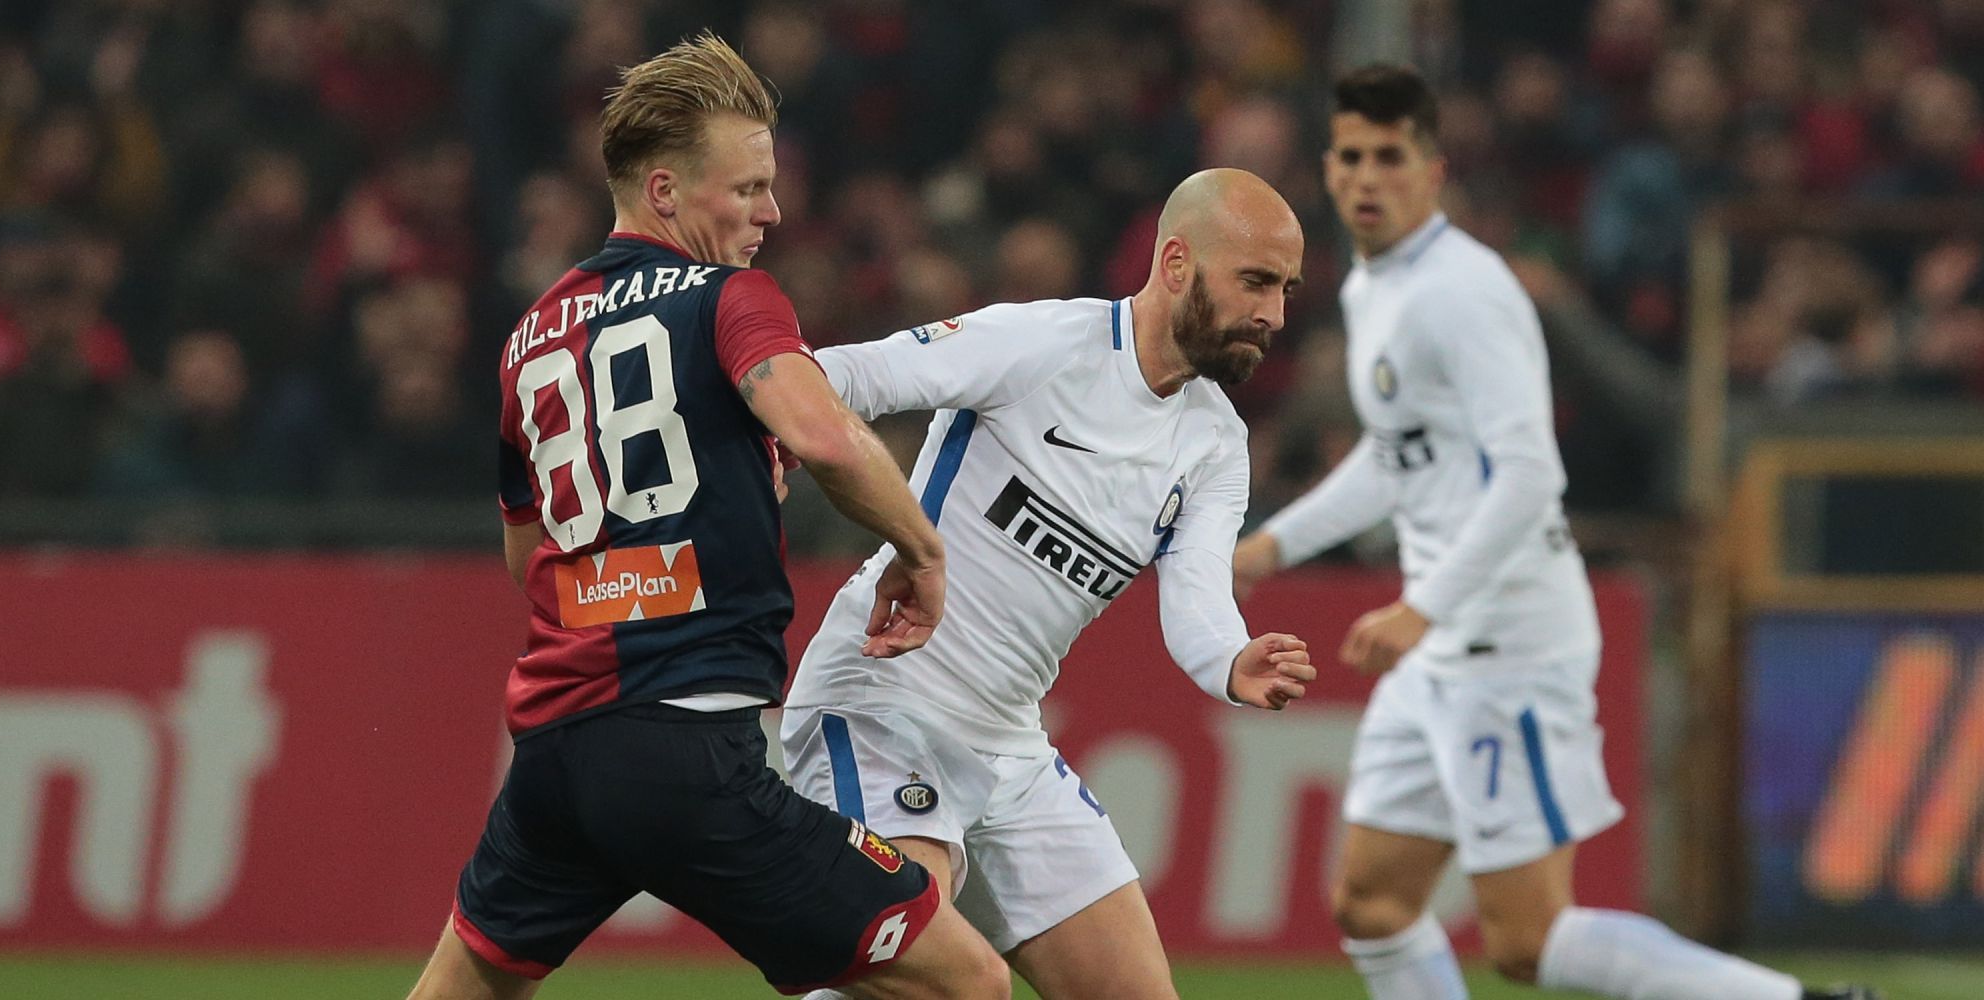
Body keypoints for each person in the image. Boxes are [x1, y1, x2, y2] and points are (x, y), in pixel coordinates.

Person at [1231, 64, 1881, 1000]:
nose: (1367, 177)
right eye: (1351, 158)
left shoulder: (1466, 290)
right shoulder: (1380, 290)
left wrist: (1423, 607)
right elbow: (1395, 453)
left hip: (1506, 647)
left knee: (1527, 942)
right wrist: (1276, 544)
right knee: (1370, 902)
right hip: (1444, 649)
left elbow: (1530, 471)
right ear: (1329, 171)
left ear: (1433, 170)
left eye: (1390, 158)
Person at [406, 34, 1009, 1000]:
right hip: (683, 747)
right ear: (665, 192)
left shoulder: (530, 336)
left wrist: (643, 554)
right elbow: (823, 436)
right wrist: (922, 550)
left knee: (460, 991)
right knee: (966, 982)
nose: (771, 211)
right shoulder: (732, 298)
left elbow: (529, 555)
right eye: (748, 189)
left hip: (555, 756)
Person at [783, 168, 1319, 1000]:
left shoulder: (1216, 443)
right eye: (1254, 281)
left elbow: (1198, 594)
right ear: (1176, 263)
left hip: (1007, 748)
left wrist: (1232, 659)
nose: (1274, 314)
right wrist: (804, 464)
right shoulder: (1040, 346)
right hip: (883, 705)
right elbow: (839, 376)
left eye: (1285, 289)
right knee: (936, 981)